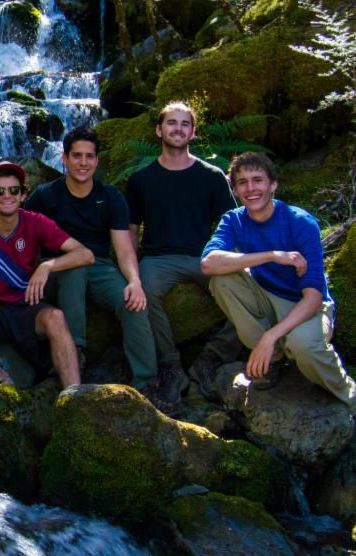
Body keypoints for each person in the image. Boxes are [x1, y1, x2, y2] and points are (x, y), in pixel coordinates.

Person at [201, 152, 356, 408]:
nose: (251, 188)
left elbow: (314, 296)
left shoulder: (300, 222)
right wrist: (271, 256)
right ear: (236, 190)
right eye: (242, 182)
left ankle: (349, 395)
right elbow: (208, 264)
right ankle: (271, 360)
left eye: (258, 180)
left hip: (305, 306)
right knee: (222, 280)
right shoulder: (234, 220)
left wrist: (268, 337)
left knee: (303, 346)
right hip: (266, 295)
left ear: (273, 185)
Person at [25, 125, 159, 396]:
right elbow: (24, 239)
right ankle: (74, 353)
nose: (83, 163)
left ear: (97, 161)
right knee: (73, 270)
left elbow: (123, 250)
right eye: (76, 156)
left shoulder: (110, 197)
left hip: (99, 266)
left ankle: (148, 382)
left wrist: (134, 282)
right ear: (64, 159)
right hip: (58, 269)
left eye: (89, 157)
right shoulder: (45, 196)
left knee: (132, 302)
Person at [126, 101, 239, 410]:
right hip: (158, 258)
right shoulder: (141, 180)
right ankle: (172, 366)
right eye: (171, 123)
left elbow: (232, 225)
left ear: (193, 132)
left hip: (205, 256)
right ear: (159, 130)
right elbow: (131, 230)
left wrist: (232, 258)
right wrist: (131, 270)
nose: (178, 128)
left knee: (250, 287)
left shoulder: (212, 176)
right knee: (143, 293)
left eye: (184, 124)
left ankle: (212, 356)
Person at [0, 160, 91, 388]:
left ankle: (74, 397)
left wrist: (46, 266)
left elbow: (85, 255)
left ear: (23, 194)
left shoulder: (35, 222)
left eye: (14, 190)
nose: (8, 196)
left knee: (55, 318)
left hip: (25, 307)